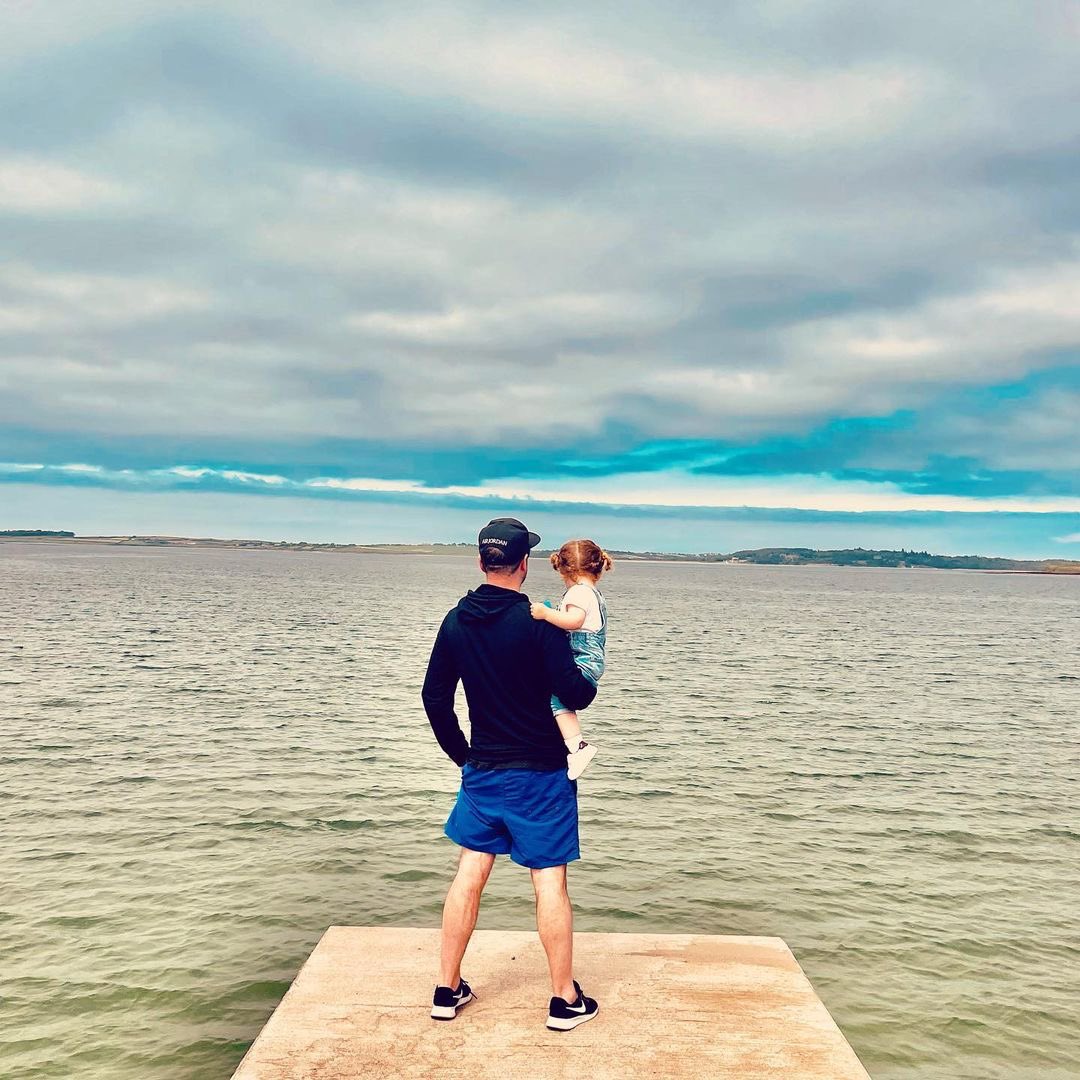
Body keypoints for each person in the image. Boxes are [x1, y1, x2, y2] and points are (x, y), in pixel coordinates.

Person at [422, 517, 601, 1031]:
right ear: (524, 565)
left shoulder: (456, 620)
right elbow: (578, 694)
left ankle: (446, 988)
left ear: (482, 562)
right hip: (541, 774)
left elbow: (435, 698)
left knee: (468, 876)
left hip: (484, 771)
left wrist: (464, 758)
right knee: (549, 884)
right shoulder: (540, 621)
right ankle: (564, 1001)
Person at [530, 539, 611, 780]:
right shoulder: (594, 594)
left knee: (556, 701)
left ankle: (578, 747)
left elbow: (574, 621)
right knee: (559, 701)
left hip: (581, 661)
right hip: (591, 664)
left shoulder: (578, 592)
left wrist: (545, 613)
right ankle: (575, 747)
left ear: (567, 571)